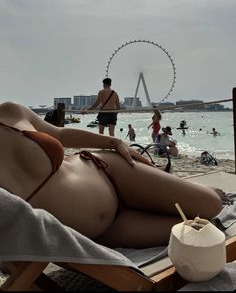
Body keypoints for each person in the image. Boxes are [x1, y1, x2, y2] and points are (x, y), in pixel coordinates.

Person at [0, 101, 222, 248]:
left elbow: (60, 134)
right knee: (204, 228)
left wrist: (114, 141)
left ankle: (184, 188)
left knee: (211, 204)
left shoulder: (11, 111)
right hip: (104, 230)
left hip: (106, 170)